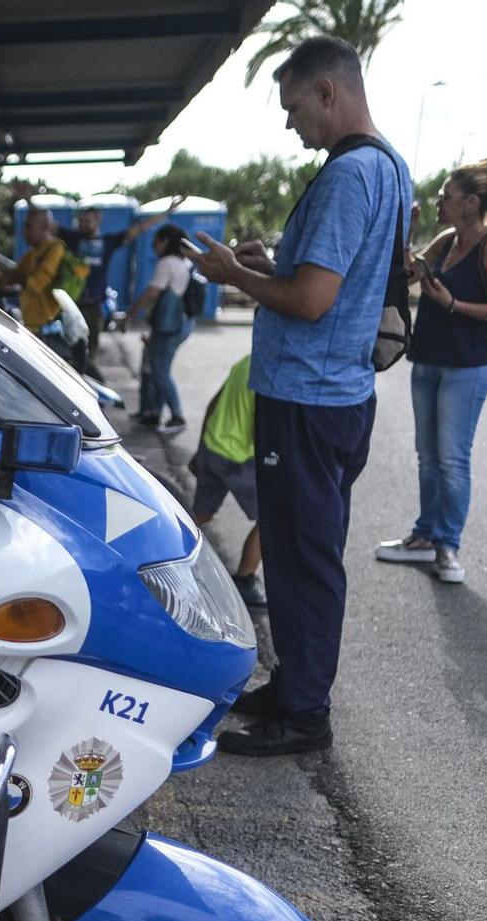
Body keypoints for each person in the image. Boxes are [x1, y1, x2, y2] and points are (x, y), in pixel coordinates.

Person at [190, 35, 409, 757]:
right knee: (292, 552)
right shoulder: (388, 168)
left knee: (305, 558)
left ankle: (306, 713)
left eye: (293, 108)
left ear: (327, 92)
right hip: (328, 395)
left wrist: (234, 275)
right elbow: (332, 282)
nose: (291, 125)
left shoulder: (349, 176)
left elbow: (313, 301)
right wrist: (271, 264)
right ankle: (294, 686)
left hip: (310, 399)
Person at [376, 157, 487, 587]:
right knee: (428, 457)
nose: (441, 201)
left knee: (452, 459)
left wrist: (453, 305)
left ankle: (447, 545)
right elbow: (408, 273)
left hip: (466, 367)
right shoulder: (447, 239)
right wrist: (408, 231)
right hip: (428, 360)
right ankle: (424, 536)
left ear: (471, 202)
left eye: (447, 196)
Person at [71, 194, 183, 377]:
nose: (82, 224)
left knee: (89, 354)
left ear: (98, 221)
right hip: (72, 303)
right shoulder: (73, 238)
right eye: (80, 221)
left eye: (87, 221)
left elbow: (138, 229)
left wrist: (166, 213)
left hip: (93, 307)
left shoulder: (107, 242)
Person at [190, 355, 267, 611]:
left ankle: (164, 555)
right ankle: (245, 579)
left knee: (201, 513)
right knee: (270, 518)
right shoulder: (270, 374)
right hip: (238, 457)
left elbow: (215, 402)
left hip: (212, 445)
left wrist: (201, 448)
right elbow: (262, 427)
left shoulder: (245, 362)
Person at [128, 224, 198, 436]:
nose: (153, 247)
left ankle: (177, 416)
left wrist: (130, 314)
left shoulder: (167, 263)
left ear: (165, 241)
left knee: (159, 371)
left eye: (156, 242)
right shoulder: (184, 263)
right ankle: (153, 412)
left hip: (169, 326)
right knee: (155, 367)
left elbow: (152, 293)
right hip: (181, 324)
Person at [8, 207, 72, 358]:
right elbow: (10, 278)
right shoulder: (31, 254)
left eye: (29, 226)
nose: (24, 231)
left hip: (48, 332)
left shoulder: (55, 248)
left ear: (44, 227)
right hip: (30, 329)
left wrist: (16, 276)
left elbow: (35, 284)